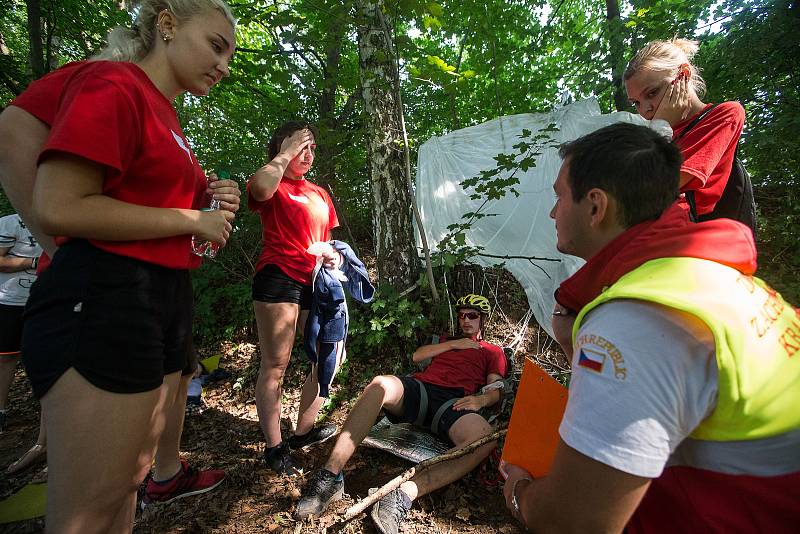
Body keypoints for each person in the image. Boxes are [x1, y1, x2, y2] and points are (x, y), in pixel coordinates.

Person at [503, 122, 800, 532]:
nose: (554, 213)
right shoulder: (713, 278)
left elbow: (575, 522)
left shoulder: (633, 319)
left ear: (595, 206)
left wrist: (519, 492)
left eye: (559, 197)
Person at [11, 0, 238, 531]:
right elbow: (61, 206)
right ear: (166, 24)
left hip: (156, 301)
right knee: (85, 512)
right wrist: (190, 218)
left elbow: (153, 213)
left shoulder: (167, 114)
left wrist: (208, 204)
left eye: (229, 56)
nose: (224, 66)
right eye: (216, 46)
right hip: (106, 299)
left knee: (126, 487)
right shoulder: (112, 83)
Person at [295, 294, 508, 534]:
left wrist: (482, 399)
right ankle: (330, 477)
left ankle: (402, 495)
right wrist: (454, 344)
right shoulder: (447, 341)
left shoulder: (492, 351)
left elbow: (497, 388)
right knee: (380, 384)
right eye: (462, 315)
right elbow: (418, 357)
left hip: (454, 401)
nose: (466, 320)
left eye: (472, 316)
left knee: (484, 437)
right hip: (422, 389)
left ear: (483, 320)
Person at [247, 121, 342, 474]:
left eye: (312, 146)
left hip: (317, 281)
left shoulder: (319, 193)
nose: (308, 152)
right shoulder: (274, 184)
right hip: (279, 278)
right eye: (301, 144)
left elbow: (330, 241)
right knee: (276, 364)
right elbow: (258, 189)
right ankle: (274, 447)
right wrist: (284, 154)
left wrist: (334, 257)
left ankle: (303, 432)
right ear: (280, 148)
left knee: (328, 355)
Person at [624, 37, 745, 221]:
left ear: (684, 74)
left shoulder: (725, 114)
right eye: (636, 103)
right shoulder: (653, 131)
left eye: (652, 93)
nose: (645, 109)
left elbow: (661, 183)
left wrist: (660, 126)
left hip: (697, 239)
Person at [0, 214, 42, 431]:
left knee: (46, 357)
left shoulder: (57, 219)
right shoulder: (9, 222)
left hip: (47, 301)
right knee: (5, 358)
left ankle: (47, 417)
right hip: (10, 302)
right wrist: (34, 261)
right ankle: (1, 410)